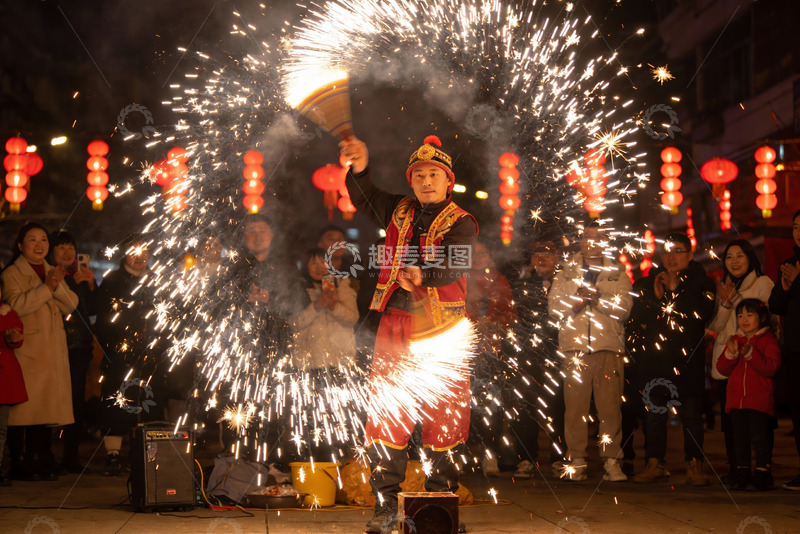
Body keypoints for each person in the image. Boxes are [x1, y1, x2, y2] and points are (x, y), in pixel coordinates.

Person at [340, 134, 477, 533]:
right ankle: (386, 507)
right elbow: (364, 197)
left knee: (444, 417)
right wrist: (360, 167)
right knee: (389, 415)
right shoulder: (398, 209)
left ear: (448, 181)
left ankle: (438, 510)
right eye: (419, 175)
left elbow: (455, 261)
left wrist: (425, 274)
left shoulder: (462, 221)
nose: (426, 181)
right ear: (412, 180)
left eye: (434, 174)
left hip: (442, 332)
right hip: (394, 327)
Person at [628, 233, 716, 485]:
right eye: (667, 251)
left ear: (690, 254)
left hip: (688, 362)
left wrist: (676, 290)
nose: (672, 256)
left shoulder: (703, 283)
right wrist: (655, 299)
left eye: (678, 250)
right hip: (655, 362)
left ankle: (694, 465)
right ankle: (655, 463)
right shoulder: (647, 283)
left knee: (691, 417)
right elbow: (635, 319)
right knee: (654, 416)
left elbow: (702, 314)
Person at [548, 221, 632, 482]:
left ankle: (611, 461)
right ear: (580, 241)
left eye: (597, 237)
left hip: (608, 346)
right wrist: (577, 300)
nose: (591, 242)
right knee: (574, 408)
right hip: (575, 349)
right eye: (587, 237)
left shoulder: (617, 272)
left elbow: (625, 310)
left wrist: (599, 299)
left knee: (609, 409)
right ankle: (577, 459)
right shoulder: (565, 271)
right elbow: (553, 309)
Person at [2, 223, 77, 481]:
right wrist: (46, 288)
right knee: (23, 411)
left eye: (43, 240)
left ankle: (38, 459)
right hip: (27, 350)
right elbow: (16, 306)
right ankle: (19, 462)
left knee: (44, 409)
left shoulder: (50, 269)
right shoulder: (12, 273)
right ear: (21, 246)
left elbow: (71, 304)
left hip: (50, 350)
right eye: (32, 240)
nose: (39, 245)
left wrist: (53, 284)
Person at [708, 239, 773, 482]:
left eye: (740, 256)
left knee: (758, 419)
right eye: (729, 257)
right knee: (731, 419)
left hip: (754, 362)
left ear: (750, 258)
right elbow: (715, 325)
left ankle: (763, 468)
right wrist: (725, 303)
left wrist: (736, 301)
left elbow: (767, 320)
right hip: (729, 359)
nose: (734, 261)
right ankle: (737, 467)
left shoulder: (763, 284)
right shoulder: (724, 285)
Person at [94, 234, 158, 476]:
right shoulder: (112, 281)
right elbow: (103, 320)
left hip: (151, 355)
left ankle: (148, 455)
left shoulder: (157, 280)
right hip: (119, 354)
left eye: (144, 251)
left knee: (149, 403)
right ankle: (113, 455)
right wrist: (116, 347)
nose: (140, 256)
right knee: (116, 402)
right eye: (134, 251)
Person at [505, 239, 566, 478]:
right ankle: (526, 458)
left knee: (557, 407)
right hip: (527, 354)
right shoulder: (521, 285)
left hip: (557, 353)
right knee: (524, 408)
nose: (542, 259)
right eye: (537, 254)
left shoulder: (564, 283)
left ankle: (560, 459)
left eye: (548, 255)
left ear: (557, 258)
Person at [291, 247, 359, 460]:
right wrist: (317, 306)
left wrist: (334, 306)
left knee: (341, 415)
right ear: (305, 266)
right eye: (314, 263)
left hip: (340, 362)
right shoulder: (298, 289)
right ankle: (312, 460)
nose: (320, 268)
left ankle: (342, 461)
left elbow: (352, 318)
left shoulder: (343, 286)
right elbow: (293, 323)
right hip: (310, 363)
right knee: (311, 417)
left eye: (324, 263)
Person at [715, 299, 781, 490]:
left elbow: (772, 368)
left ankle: (762, 471)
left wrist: (752, 355)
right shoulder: (737, 340)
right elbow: (722, 368)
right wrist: (731, 355)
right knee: (740, 439)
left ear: (761, 318)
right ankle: (742, 472)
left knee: (760, 438)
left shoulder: (768, 341)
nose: (744, 320)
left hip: (759, 400)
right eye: (740, 316)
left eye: (749, 315)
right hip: (737, 401)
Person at [48, 230, 97, 473]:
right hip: (57, 346)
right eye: (61, 247)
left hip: (79, 348)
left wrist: (91, 285)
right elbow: (66, 308)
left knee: (76, 401)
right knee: (54, 400)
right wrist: (76, 288)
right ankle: (47, 454)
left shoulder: (78, 277)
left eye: (71, 247)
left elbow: (90, 311)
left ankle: (71, 455)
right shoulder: (53, 278)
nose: (68, 252)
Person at [466, 241, 516, 476]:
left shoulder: (499, 281)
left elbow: (510, 313)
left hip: (492, 352)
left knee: (491, 405)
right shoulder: (461, 279)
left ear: (491, 254)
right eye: (474, 253)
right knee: (464, 406)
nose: (478, 257)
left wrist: (495, 323)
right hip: (464, 350)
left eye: (483, 252)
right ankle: (463, 455)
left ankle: (490, 454)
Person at [768, 208, 800, 490]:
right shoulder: (788, 265)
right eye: (796, 227)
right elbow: (776, 306)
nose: (799, 232)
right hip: (795, 347)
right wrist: (786, 285)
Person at [0, 298, 25, 486]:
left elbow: (17, 333)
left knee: (1, 428)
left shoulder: (7, 312)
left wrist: (12, 336)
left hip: (3, 378)